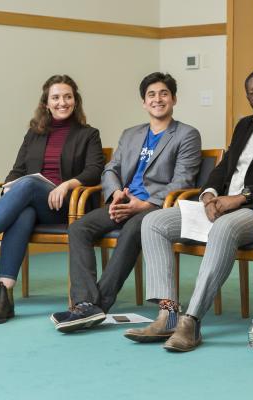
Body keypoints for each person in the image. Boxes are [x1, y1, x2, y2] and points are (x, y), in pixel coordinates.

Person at [125, 68, 253, 352]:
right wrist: (209, 195)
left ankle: (191, 320)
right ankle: (168, 314)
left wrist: (242, 197)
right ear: (248, 97)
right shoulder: (244, 125)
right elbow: (224, 168)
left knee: (224, 227)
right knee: (154, 221)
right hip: (221, 205)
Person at [0, 75, 103, 324]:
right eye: (56, 97)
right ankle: (4, 296)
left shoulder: (88, 134)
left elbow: (94, 170)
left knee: (27, 184)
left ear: (76, 101)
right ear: (46, 103)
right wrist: (8, 188)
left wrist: (66, 185)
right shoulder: (34, 134)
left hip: (68, 206)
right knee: (22, 212)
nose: (63, 102)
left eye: (68, 97)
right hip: (35, 204)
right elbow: (17, 170)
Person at [51, 72, 202, 333]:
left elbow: (183, 181)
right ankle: (85, 302)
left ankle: (98, 305)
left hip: (157, 209)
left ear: (174, 99)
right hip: (123, 202)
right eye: (151, 95)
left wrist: (144, 205)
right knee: (78, 228)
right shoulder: (131, 134)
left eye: (164, 93)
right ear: (144, 102)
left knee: (135, 228)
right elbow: (111, 168)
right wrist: (116, 193)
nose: (157, 99)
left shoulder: (186, 135)